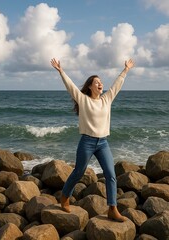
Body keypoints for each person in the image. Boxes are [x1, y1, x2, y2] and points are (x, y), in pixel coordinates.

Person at [51, 58, 135, 222]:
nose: (100, 84)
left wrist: (126, 70)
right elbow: (71, 87)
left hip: (103, 143)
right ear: (90, 86)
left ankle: (112, 208)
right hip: (87, 142)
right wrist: (61, 71)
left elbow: (117, 85)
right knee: (79, 172)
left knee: (111, 175)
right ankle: (65, 197)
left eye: (101, 82)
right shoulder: (83, 100)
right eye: (97, 82)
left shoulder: (107, 99)